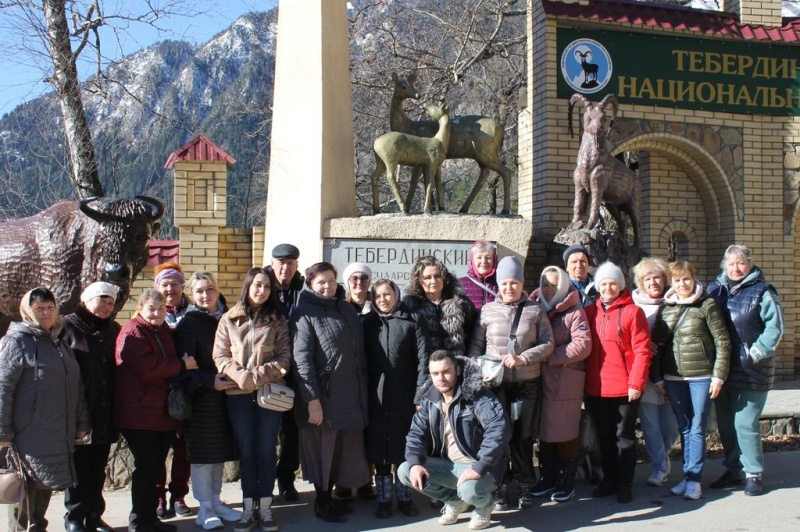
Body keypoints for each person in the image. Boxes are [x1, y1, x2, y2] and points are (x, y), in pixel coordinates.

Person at [0, 287, 90, 532]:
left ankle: (37, 527)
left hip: (56, 431)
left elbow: (75, 385)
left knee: (44, 486)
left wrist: (82, 422)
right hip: (26, 434)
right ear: (28, 311)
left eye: (50, 307)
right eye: (40, 308)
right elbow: (2, 388)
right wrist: (2, 432)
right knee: (23, 489)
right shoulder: (15, 342)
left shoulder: (58, 343)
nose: (46, 312)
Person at [467, 256, 554, 510]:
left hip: (528, 382)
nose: (509, 288)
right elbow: (476, 345)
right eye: (504, 283)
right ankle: (502, 484)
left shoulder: (535, 310)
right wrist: (477, 370)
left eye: (514, 283)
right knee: (499, 436)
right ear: (498, 284)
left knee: (524, 436)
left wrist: (524, 358)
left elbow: (548, 343)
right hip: (497, 384)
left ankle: (525, 482)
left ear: (521, 283)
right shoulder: (488, 310)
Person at [213, 267, 292, 532]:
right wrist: (240, 376)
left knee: (267, 450)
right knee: (247, 451)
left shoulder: (277, 320)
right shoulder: (229, 319)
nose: (262, 290)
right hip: (237, 396)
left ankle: (266, 507)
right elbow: (220, 356)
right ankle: (248, 508)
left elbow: (284, 359)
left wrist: (254, 377)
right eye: (257, 285)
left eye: (267, 286)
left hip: (269, 394)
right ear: (248, 286)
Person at [289, 262, 370, 523]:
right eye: (321, 282)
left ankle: (330, 497)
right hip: (323, 397)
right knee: (322, 451)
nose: (327, 286)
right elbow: (301, 360)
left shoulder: (345, 307)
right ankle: (321, 501)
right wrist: (312, 400)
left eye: (331, 281)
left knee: (338, 451)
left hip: (348, 394)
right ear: (311, 284)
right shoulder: (303, 313)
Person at [398, 350, 511, 531]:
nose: (440, 378)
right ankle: (454, 500)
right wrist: (415, 462)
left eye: (446, 372)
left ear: (457, 370)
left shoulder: (478, 395)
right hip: (449, 465)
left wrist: (479, 467)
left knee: (470, 489)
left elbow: (498, 430)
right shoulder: (429, 400)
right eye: (435, 373)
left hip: (483, 466)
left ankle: (484, 505)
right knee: (405, 470)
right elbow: (416, 434)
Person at [114, 289, 198, 532]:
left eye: (161, 308)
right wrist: (182, 364)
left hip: (159, 413)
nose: (157, 313)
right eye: (151, 308)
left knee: (153, 470)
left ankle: (150, 519)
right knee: (147, 469)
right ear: (140, 309)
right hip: (138, 413)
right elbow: (148, 369)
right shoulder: (132, 331)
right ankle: (139, 522)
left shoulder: (162, 331)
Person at [706, 245, 783, 497]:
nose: (735, 268)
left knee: (744, 423)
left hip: (752, 369)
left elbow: (774, 328)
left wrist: (756, 353)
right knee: (727, 425)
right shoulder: (714, 290)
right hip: (723, 370)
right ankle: (733, 470)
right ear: (724, 266)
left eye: (740, 263)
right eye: (731, 264)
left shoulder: (763, 291)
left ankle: (754, 474)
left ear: (749, 264)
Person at [653, 261, 730, 501]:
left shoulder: (707, 305)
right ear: (671, 283)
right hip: (674, 377)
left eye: (686, 279)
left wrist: (718, 376)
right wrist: (656, 378)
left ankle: (694, 479)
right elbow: (656, 347)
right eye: (676, 280)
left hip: (701, 377)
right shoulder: (667, 307)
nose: (682, 284)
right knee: (684, 428)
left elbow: (722, 341)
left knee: (696, 427)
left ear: (693, 279)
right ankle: (687, 477)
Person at [174, 271, 242, 530]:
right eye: (200, 290)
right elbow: (185, 366)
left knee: (219, 454)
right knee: (203, 455)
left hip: (228, 397)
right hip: (202, 400)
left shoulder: (228, 316)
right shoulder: (189, 323)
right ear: (192, 293)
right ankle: (204, 507)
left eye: (209, 289)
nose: (205, 295)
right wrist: (209, 381)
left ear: (217, 289)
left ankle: (215, 501)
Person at [584, 262, 651, 504]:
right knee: (604, 437)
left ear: (621, 286)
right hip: (596, 388)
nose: (608, 287)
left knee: (624, 437)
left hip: (625, 387)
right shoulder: (590, 312)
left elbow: (643, 351)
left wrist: (636, 383)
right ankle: (608, 480)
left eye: (613, 283)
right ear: (598, 287)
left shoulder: (634, 313)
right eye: (604, 283)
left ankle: (624, 483)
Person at [363, 279, 430, 518]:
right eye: (378, 295)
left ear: (396, 294)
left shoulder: (412, 321)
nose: (383, 299)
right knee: (380, 448)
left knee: (404, 448)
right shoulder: (367, 323)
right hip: (377, 396)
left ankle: (404, 497)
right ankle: (383, 499)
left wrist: (420, 394)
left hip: (404, 394)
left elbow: (424, 361)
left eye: (387, 294)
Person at [60, 282, 121, 532]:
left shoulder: (113, 329)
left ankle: (95, 515)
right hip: (77, 411)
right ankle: (74, 517)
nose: (106, 306)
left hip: (105, 410)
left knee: (98, 467)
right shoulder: (67, 325)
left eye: (110, 302)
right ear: (87, 299)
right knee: (77, 468)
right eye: (102, 300)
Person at [529, 266, 592, 503]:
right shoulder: (533, 308)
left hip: (565, 381)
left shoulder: (575, 312)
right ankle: (547, 478)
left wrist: (549, 355)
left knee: (565, 433)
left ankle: (566, 482)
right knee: (545, 432)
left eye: (554, 285)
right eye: (545, 284)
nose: (548, 289)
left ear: (563, 286)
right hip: (540, 380)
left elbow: (583, 345)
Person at [630, 257, 680, 487]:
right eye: (647, 279)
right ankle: (660, 467)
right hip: (644, 374)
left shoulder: (676, 301)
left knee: (670, 426)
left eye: (657, 277)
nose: (653, 282)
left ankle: (664, 454)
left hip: (671, 371)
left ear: (665, 279)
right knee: (650, 425)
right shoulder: (634, 304)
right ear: (640, 282)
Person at [152, 262, 192, 519]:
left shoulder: (193, 312)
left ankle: (178, 495)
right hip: (158, 390)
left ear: (182, 286)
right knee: (156, 451)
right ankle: (157, 498)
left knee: (182, 449)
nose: (170, 289)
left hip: (187, 390)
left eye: (174, 283)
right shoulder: (150, 313)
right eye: (165, 284)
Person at [266, 243, 303, 502]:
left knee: (293, 431)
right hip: (270, 371)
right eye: (282, 264)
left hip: (298, 371)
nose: (286, 269)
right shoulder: (262, 287)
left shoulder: (303, 288)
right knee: (267, 431)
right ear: (273, 263)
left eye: (290, 264)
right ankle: (263, 483)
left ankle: (286, 479)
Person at [402, 255, 477, 359]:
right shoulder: (411, 307)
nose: (433, 281)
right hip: (426, 368)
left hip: (457, 367)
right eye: (427, 277)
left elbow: (473, 336)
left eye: (437, 276)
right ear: (419, 280)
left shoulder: (461, 303)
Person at [460, 240, 498, 312]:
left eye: (488, 257)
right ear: (472, 261)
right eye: (479, 257)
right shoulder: (460, 284)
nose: (483, 261)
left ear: (494, 260)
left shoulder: (501, 283)